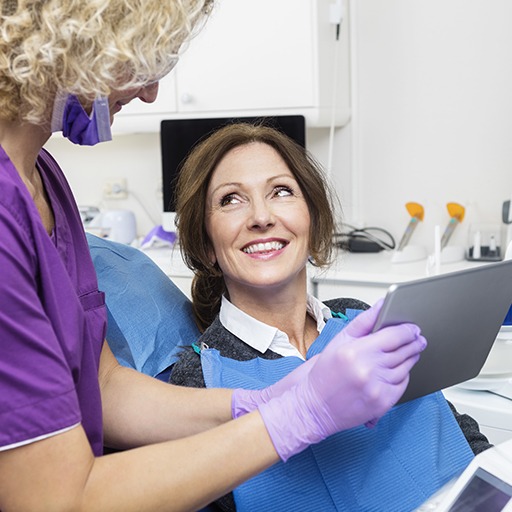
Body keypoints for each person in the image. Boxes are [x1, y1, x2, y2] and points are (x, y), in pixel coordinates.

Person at [0, 1, 429, 510]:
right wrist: (299, 415)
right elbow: (56, 499)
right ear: (80, 42)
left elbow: (103, 384)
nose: (152, 91)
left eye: (282, 192)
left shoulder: (44, 179)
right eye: (142, 60)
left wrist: (264, 400)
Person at [170, 122, 491, 512]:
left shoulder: (359, 316)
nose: (261, 217)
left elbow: (453, 429)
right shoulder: (197, 378)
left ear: (313, 220)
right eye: (231, 200)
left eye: (281, 191)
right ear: (205, 244)